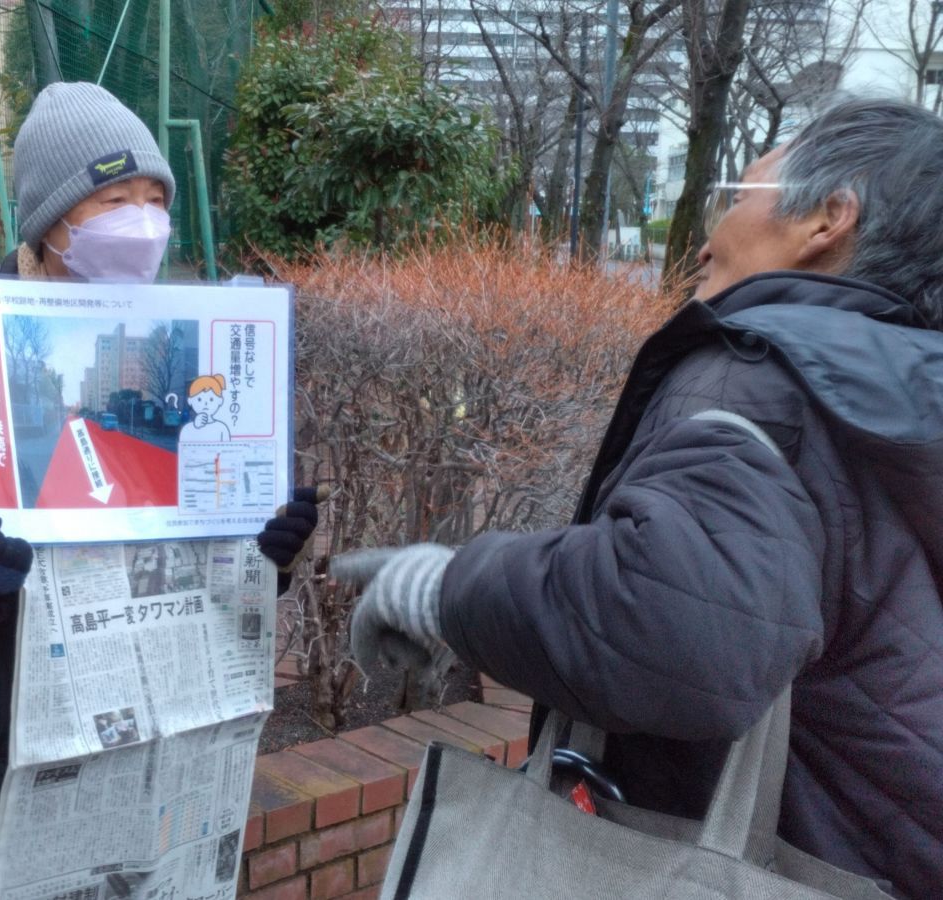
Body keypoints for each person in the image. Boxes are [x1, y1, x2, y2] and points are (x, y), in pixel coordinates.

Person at [336, 96, 943, 897]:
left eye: (738, 196)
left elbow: (676, 626)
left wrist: (444, 589)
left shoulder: (760, 378)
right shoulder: (904, 393)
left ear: (827, 218)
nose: (707, 236)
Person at [0, 82, 318, 898]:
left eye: (154, 199)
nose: (144, 221)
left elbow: (201, 550)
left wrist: (263, 554)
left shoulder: (183, 343)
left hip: (154, 764)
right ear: (50, 224)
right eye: (113, 199)